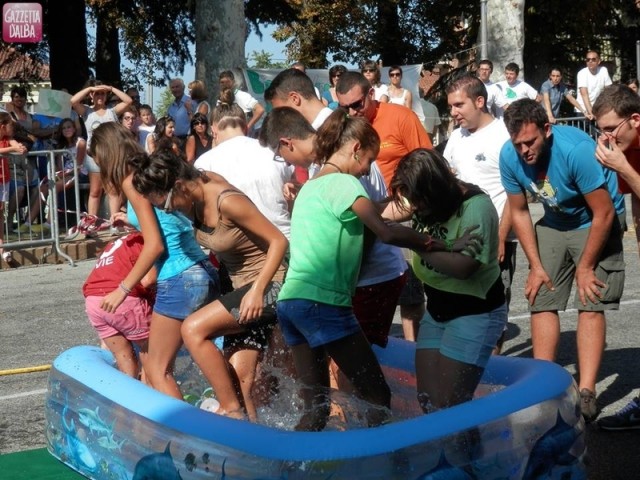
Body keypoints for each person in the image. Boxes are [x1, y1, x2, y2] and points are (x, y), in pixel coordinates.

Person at [276, 110, 478, 431]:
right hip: (324, 304)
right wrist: (440, 245)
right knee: (378, 395)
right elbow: (386, 231)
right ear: (356, 148)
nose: (368, 169)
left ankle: (289, 468)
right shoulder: (345, 183)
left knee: (316, 407)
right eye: (369, 160)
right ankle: (381, 465)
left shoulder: (310, 188)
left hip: (291, 303)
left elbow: (381, 212)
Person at [130, 150, 288, 421]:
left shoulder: (227, 201)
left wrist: (258, 291)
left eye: (167, 206)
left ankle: (231, 412)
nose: (171, 212)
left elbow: (279, 242)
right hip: (238, 285)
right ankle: (248, 438)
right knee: (239, 380)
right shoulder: (197, 189)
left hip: (271, 285)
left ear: (179, 186)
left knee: (193, 329)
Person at [499, 98, 626, 422]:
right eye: (518, 144)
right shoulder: (509, 156)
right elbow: (519, 210)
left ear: (547, 129)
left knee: (590, 299)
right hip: (556, 220)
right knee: (541, 297)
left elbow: (604, 211)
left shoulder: (575, 150)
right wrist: (535, 266)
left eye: (531, 142)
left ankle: (586, 391)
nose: (525, 150)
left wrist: (585, 267)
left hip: (594, 220)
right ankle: (544, 386)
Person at [88, 122, 220, 400]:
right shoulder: (145, 174)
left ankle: (185, 438)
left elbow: (156, 245)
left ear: (108, 153)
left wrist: (122, 289)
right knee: (172, 360)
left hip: (179, 275)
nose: (100, 167)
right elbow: (167, 225)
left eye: (99, 160)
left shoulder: (131, 181)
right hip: (199, 270)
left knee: (157, 369)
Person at [388, 148, 505, 412]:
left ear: (435, 191)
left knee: (452, 406)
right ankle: (444, 453)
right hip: (438, 310)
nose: (414, 208)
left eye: (419, 202)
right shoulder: (420, 198)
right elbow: (380, 214)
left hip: (475, 312)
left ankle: (471, 453)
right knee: (428, 402)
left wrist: (416, 242)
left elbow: (464, 267)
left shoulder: (476, 208)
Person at [336, 71, 433, 341]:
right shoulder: (346, 128)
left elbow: (427, 163)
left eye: (357, 104)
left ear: (371, 94)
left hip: (405, 211)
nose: (352, 112)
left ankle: (413, 350)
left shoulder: (400, 117)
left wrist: (411, 204)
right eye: (345, 107)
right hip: (368, 215)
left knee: (411, 295)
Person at [443, 75, 514, 354]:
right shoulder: (456, 139)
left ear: (480, 101)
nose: (453, 112)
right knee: (460, 308)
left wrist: (499, 237)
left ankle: (491, 372)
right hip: (458, 239)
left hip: (494, 239)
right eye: (450, 106)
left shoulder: (503, 137)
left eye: (459, 104)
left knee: (493, 310)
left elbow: (514, 194)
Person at [592, 83, 640, 430]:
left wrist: (623, 167)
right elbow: (636, 201)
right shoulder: (627, 147)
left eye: (610, 128)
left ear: (634, 120)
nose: (606, 137)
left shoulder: (626, 155)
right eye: (601, 130)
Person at [195, 100, 291, 240]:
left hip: (242, 252)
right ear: (246, 127)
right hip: (285, 238)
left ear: (213, 131)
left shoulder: (204, 163)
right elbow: (292, 195)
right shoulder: (275, 151)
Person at [83, 232, 156, 379]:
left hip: (93, 301)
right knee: (152, 352)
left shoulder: (121, 241)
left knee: (124, 356)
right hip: (121, 301)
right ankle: (151, 392)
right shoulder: (151, 240)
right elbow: (148, 280)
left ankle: (128, 395)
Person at [71, 80, 132, 219]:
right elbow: (73, 101)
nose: (100, 96)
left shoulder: (112, 111)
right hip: (93, 157)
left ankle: (114, 223)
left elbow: (128, 101)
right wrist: (90, 89)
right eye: (97, 94)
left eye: (102, 94)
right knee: (95, 192)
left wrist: (111, 88)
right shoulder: (87, 110)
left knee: (113, 192)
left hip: (111, 156)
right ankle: (91, 223)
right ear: (92, 95)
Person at [264, 68, 333, 181]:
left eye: (282, 111)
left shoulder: (335, 132)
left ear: (295, 98)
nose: (280, 120)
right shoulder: (316, 133)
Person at [0, 112, 28, 264]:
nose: (14, 129)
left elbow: (15, 144)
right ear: (3, 127)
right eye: (11, 126)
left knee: (0, 213)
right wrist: (12, 150)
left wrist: (20, 147)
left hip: (3, 179)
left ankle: (1, 246)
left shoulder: (7, 138)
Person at [218, 70, 265, 135]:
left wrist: (248, 127)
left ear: (233, 82)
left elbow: (260, 110)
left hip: (242, 136)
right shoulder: (219, 99)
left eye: (228, 82)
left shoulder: (243, 96)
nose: (225, 85)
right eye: (222, 82)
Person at [576, 50, 612, 120]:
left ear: (598, 61)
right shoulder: (582, 73)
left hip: (598, 110)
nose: (590, 61)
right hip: (583, 111)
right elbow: (584, 95)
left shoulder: (603, 70)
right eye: (588, 59)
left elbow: (609, 91)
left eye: (593, 59)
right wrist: (591, 113)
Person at [167, 78, 193, 144]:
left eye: (177, 87)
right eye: (173, 87)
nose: (175, 89)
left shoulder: (191, 102)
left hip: (189, 139)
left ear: (183, 87)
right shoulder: (170, 108)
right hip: (175, 141)